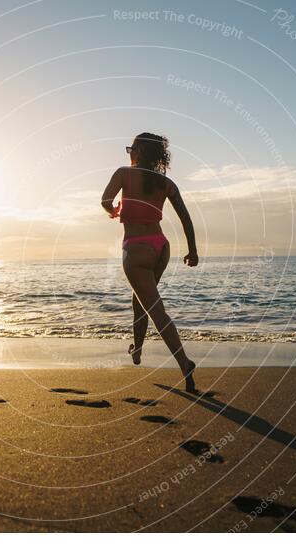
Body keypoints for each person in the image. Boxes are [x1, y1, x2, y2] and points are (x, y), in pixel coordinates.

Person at [100, 132, 199, 393]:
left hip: (136, 250)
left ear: (140, 152)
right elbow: (186, 218)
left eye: (131, 148)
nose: (129, 152)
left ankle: (184, 362)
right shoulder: (166, 183)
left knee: (156, 310)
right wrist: (193, 251)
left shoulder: (123, 173)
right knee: (141, 298)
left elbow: (104, 201)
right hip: (160, 247)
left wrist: (114, 211)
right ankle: (138, 348)